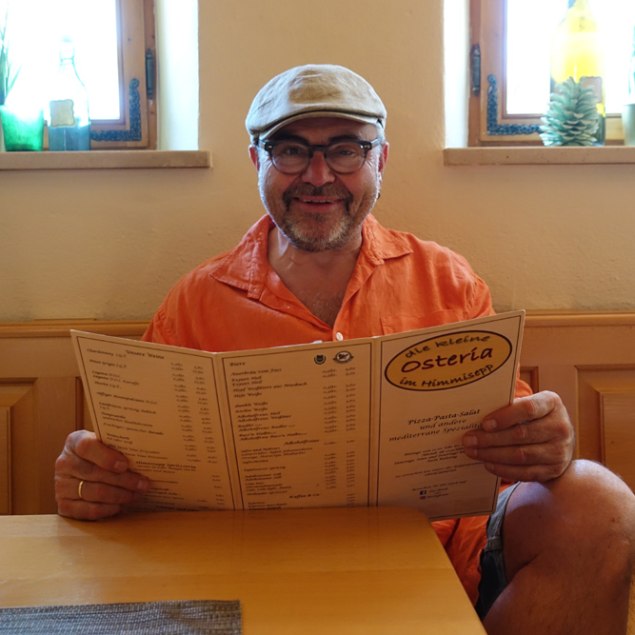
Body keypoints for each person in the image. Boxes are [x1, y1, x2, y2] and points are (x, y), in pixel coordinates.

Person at [55, 64, 635, 634]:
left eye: (345, 149)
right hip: (258, 581)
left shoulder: (446, 278)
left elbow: (511, 442)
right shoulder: (195, 301)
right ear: (257, 160)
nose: (317, 175)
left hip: (449, 566)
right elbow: (133, 476)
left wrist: (542, 442)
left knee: (598, 501)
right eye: (289, 150)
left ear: (380, 159)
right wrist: (93, 479)